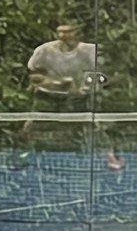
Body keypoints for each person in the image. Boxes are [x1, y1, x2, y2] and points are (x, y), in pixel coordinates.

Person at [27, 20, 119, 170]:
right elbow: (34, 76)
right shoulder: (43, 51)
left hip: (79, 98)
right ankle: (19, 155)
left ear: (77, 33)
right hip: (48, 96)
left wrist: (85, 86)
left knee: (94, 127)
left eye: (68, 32)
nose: (63, 36)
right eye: (60, 32)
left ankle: (111, 158)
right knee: (30, 126)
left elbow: (103, 76)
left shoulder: (90, 51)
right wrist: (55, 83)